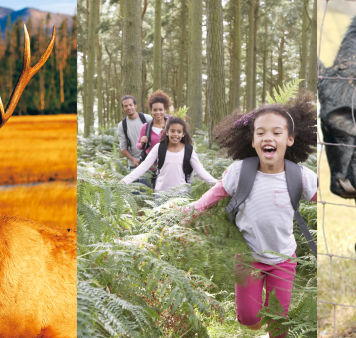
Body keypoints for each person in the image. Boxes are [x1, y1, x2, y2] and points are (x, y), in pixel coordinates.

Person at [186, 93, 319, 338]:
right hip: (248, 258)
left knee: (279, 320)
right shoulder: (239, 172)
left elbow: (327, 202)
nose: (268, 137)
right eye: (261, 132)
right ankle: (257, 327)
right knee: (248, 317)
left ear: (290, 139)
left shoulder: (300, 176)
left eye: (277, 132)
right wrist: (189, 213)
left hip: (283, 259)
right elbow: (214, 195)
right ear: (253, 140)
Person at [120, 116, 215, 195]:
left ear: (183, 134)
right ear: (166, 132)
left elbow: (201, 171)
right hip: (161, 195)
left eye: (179, 132)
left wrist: (218, 184)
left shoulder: (189, 150)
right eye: (172, 131)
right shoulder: (159, 148)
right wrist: (124, 181)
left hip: (181, 196)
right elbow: (143, 167)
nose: (175, 134)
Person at [115, 95, 151, 168]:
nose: (128, 108)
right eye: (126, 106)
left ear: (135, 105)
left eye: (130, 105)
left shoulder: (147, 118)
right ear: (123, 108)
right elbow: (123, 147)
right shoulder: (122, 125)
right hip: (134, 163)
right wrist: (132, 160)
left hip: (149, 160)